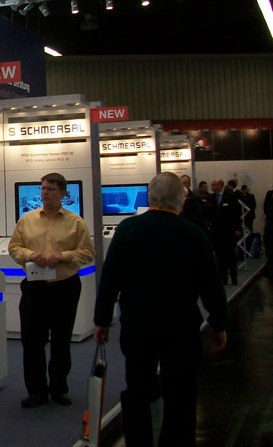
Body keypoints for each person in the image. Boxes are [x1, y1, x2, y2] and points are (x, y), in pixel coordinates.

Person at [94, 172, 228, 445]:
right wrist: (219, 324)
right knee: (181, 394)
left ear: (149, 196)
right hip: (181, 328)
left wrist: (102, 320)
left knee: (138, 390)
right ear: (182, 199)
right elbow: (211, 285)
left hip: (137, 326)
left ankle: (139, 441)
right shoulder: (193, 233)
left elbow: (110, 279)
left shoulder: (128, 229)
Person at [8, 172, 95, 408]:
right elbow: (14, 248)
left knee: (61, 341)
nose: (45, 193)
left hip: (64, 287)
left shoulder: (75, 222)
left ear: (63, 193)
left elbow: (88, 252)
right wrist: (30, 255)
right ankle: (36, 391)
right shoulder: (27, 220)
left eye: (51, 189)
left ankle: (58, 389)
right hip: (34, 288)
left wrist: (63, 256)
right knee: (32, 342)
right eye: (43, 188)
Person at [209, 178, 241, 285]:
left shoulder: (231, 196)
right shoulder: (211, 198)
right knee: (219, 256)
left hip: (229, 231)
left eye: (215, 184)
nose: (212, 186)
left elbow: (236, 213)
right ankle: (223, 277)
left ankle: (233, 275)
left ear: (221, 185)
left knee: (230, 254)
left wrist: (237, 228)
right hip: (216, 232)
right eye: (212, 184)